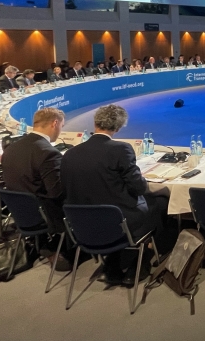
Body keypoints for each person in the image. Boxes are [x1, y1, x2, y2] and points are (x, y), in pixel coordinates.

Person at [60, 105, 168, 284]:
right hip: (119, 221)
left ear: (95, 123)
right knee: (159, 202)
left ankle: (113, 263)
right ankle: (142, 260)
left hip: (82, 224)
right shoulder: (121, 149)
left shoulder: (69, 154)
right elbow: (139, 188)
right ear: (117, 128)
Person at [1, 107, 71, 269]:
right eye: (61, 126)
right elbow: (57, 192)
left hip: (20, 212)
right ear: (55, 123)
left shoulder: (11, 148)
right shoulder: (48, 152)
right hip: (45, 214)